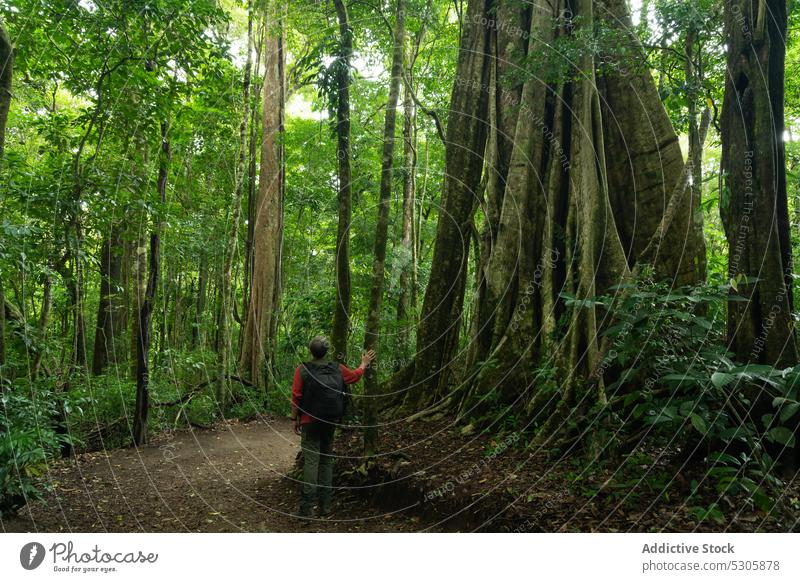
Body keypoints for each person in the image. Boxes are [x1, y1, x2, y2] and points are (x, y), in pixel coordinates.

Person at [290, 336, 375, 518]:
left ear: (310, 351)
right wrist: (363, 364)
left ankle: (306, 510)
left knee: (312, 463)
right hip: (330, 420)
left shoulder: (302, 370)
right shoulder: (337, 368)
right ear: (326, 352)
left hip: (309, 421)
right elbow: (353, 377)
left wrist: (294, 419)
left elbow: (296, 396)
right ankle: (325, 507)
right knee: (326, 461)